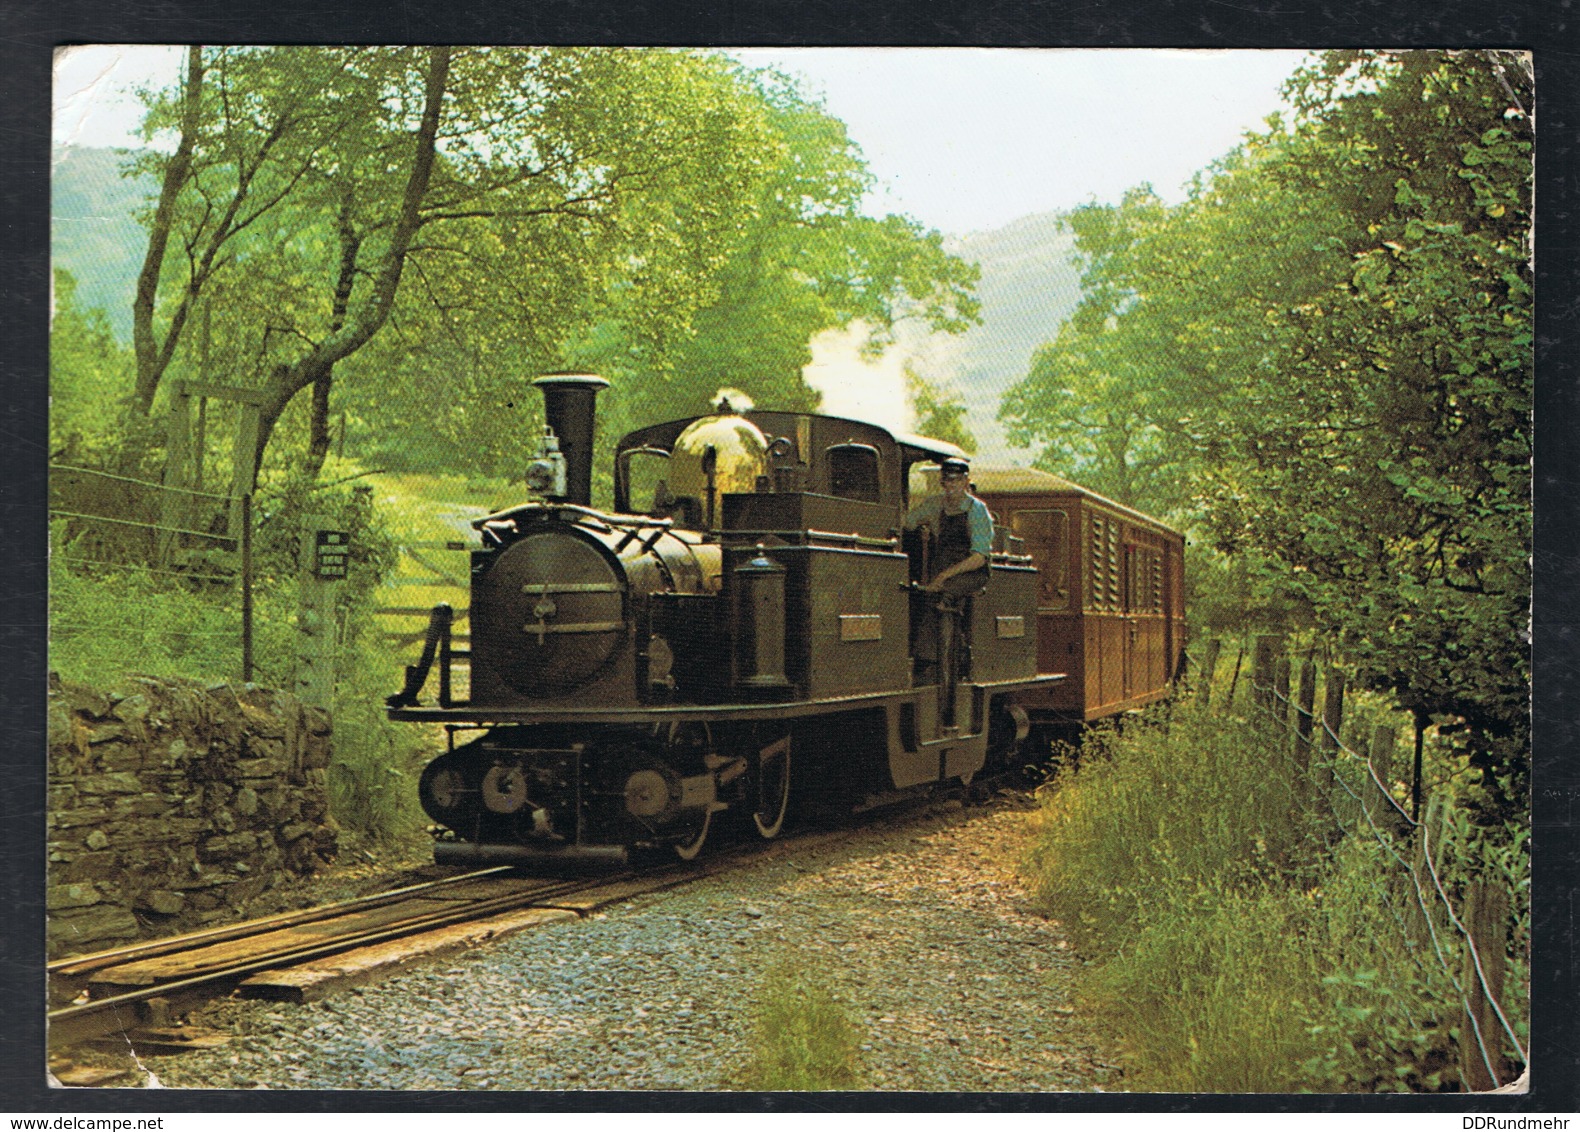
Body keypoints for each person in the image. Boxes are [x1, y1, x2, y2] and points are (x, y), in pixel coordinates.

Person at [904, 457, 992, 595]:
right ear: (942, 482)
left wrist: (943, 576)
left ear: (965, 481)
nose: (951, 485)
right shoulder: (934, 504)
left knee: (946, 589)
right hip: (940, 566)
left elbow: (979, 558)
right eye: (947, 480)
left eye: (956, 480)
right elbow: (908, 522)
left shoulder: (977, 509)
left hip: (969, 573)